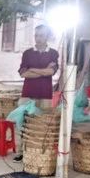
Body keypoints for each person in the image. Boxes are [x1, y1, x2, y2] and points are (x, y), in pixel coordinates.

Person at [14, 24, 59, 161]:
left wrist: (33, 69)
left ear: (47, 37)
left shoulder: (53, 53)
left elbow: (51, 72)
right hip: (28, 92)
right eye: (36, 35)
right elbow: (23, 74)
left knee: (42, 124)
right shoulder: (27, 53)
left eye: (41, 35)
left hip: (45, 94)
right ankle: (22, 150)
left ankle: (40, 150)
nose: (37, 38)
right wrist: (43, 71)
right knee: (24, 122)